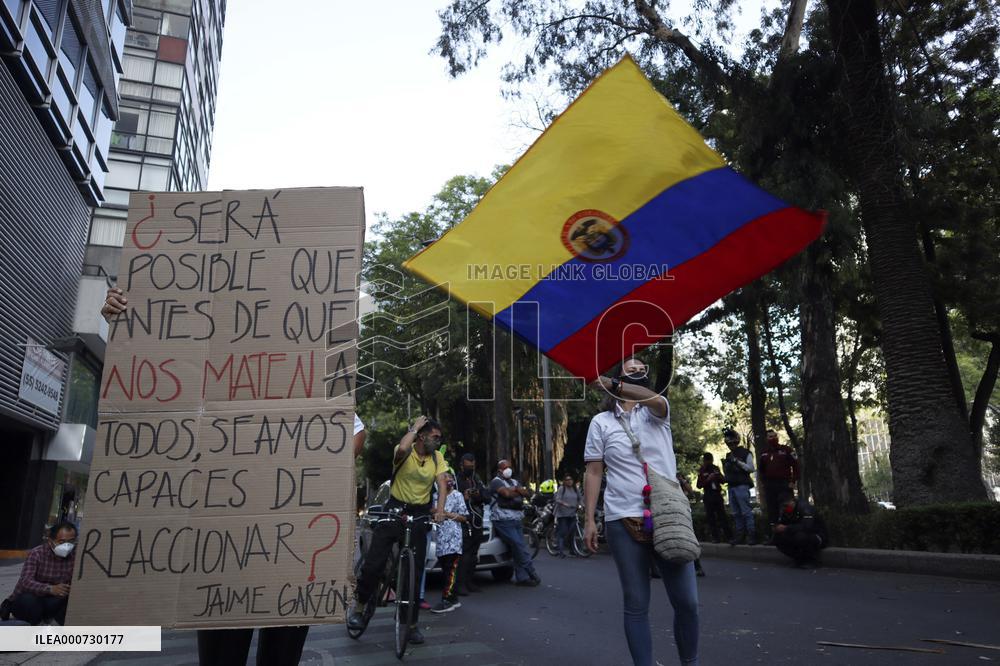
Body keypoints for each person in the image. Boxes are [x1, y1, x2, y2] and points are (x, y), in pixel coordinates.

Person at [103, 286, 369, 664]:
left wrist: (310, 463)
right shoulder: (209, 360)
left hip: (292, 543)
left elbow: (355, 433)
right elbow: (156, 378)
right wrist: (127, 323)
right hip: (222, 550)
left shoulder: (313, 367)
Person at [583, 357, 699, 666]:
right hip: (622, 518)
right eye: (630, 366)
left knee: (687, 602)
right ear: (617, 372)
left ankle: (691, 662)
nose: (637, 369)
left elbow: (657, 400)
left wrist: (613, 384)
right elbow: (594, 471)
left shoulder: (657, 412)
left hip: (667, 515)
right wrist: (589, 519)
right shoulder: (601, 422)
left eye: (642, 368)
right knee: (635, 603)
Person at [348, 415, 448, 642]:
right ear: (422, 436)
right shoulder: (406, 450)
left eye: (440, 438)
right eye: (434, 437)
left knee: (414, 573)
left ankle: (410, 624)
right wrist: (413, 427)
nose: (438, 442)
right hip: (395, 509)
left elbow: (441, 483)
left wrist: (440, 510)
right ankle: (360, 609)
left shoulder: (437, 457)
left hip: (420, 512)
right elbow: (402, 448)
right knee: (374, 564)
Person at [2, 522, 76, 626]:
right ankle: (35, 627)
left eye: (71, 541)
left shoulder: (75, 557)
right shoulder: (37, 553)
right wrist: (50, 589)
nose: (67, 546)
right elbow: (26, 582)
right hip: (30, 599)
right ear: (51, 541)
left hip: (52, 602)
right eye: (62, 542)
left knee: (69, 601)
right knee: (29, 600)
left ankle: (56, 628)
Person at [489, 460, 541, 587]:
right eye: (505, 467)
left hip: (516, 519)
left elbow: (527, 493)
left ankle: (522, 578)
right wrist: (517, 491)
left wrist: (516, 489)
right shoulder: (496, 481)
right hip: (503, 520)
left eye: (509, 467)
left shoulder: (514, 482)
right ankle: (531, 571)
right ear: (499, 470)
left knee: (519, 547)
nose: (508, 469)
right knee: (518, 545)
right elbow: (506, 494)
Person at [430, 472, 468, 613]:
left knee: (451, 568)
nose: (448, 480)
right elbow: (432, 512)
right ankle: (453, 598)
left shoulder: (457, 495)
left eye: (450, 477)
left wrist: (446, 514)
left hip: (454, 538)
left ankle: (446, 599)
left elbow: (464, 517)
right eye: (445, 477)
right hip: (440, 539)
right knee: (446, 570)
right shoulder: (435, 497)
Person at [456, 453, 488, 593]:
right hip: (463, 520)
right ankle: (460, 584)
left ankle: (469, 581)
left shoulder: (476, 479)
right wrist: (464, 496)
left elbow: (487, 497)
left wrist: (477, 495)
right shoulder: (456, 480)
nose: (470, 469)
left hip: (477, 519)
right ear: (462, 465)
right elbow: (450, 499)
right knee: (465, 553)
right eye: (468, 466)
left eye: (472, 466)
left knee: (474, 553)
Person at [760, 430, 798, 543]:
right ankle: (774, 538)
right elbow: (761, 470)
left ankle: (791, 534)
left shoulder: (787, 450)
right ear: (766, 439)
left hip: (784, 484)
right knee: (772, 511)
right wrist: (764, 483)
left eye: (774, 436)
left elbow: (796, 466)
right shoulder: (764, 453)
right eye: (770, 437)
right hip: (770, 486)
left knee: (789, 509)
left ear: (777, 437)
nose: (772, 438)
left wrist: (793, 481)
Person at [773, 491, 827, 567]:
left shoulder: (805, 508)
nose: (785, 508)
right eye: (783, 506)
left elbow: (807, 526)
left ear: (792, 501)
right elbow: (782, 523)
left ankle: (813, 560)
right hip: (799, 533)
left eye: (786, 505)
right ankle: (799, 559)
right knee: (779, 538)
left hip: (817, 535)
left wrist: (787, 528)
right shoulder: (786, 511)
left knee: (800, 536)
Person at [722, 429, 757, 546]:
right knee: (736, 513)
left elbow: (751, 468)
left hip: (742, 486)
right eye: (728, 442)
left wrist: (737, 462)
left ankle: (752, 536)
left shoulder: (745, 453)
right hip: (731, 486)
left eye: (731, 442)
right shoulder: (728, 455)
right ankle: (740, 536)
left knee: (746, 512)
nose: (730, 444)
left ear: (736, 440)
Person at [696, 453, 732, 544]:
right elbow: (699, 485)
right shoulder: (702, 470)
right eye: (706, 460)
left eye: (709, 460)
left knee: (722, 516)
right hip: (708, 495)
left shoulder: (715, 468)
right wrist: (708, 479)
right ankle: (715, 537)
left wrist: (718, 475)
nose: (708, 462)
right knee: (711, 517)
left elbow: (723, 481)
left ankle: (729, 537)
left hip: (717, 494)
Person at [675, 474, 706, 578]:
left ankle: (697, 567)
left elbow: (691, 492)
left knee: (691, 539)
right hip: (671, 512)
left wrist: (682, 481)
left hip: (684, 512)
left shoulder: (679, 477)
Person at [553, 474, 581, 557]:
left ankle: (572, 550)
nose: (569, 481)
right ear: (564, 481)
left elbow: (580, 499)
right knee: (562, 532)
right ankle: (560, 551)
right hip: (562, 514)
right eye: (567, 480)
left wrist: (582, 505)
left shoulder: (575, 489)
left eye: (571, 479)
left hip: (572, 513)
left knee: (572, 532)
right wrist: (565, 504)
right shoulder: (562, 489)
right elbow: (557, 499)